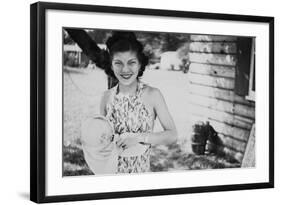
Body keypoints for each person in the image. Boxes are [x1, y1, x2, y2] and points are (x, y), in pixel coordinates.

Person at [99, 31, 178, 174]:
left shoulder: (153, 94)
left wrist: (138, 137)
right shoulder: (106, 97)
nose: (125, 69)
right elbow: (102, 141)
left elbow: (172, 135)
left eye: (132, 62)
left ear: (140, 64)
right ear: (110, 65)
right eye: (118, 63)